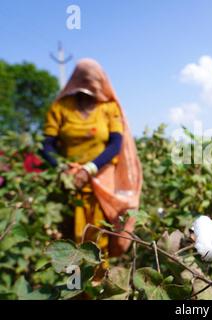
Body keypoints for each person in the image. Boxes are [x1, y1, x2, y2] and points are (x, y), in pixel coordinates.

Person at [42, 59, 143, 268]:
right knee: (68, 240)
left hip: (101, 184)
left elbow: (116, 144)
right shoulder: (61, 107)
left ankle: (96, 286)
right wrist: (63, 169)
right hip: (68, 183)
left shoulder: (108, 107)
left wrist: (89, 168)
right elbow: (46, 144)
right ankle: (75, 290)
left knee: (97, 239)